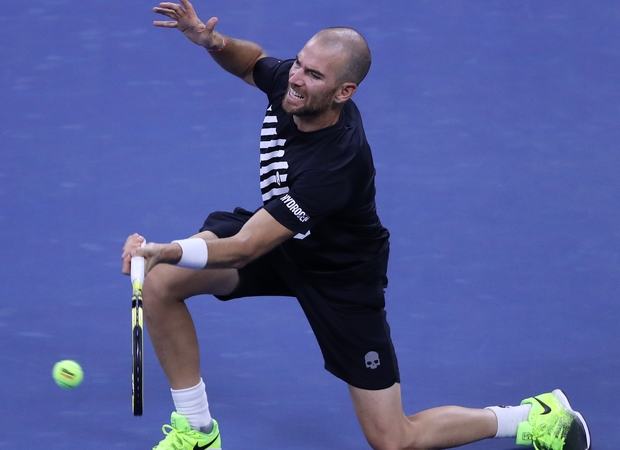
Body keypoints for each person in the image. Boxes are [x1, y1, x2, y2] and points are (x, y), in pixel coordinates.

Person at [120, 1, 592, 449]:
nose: (296, 78)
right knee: (162, 282)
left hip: (339, 274)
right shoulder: (293, 84)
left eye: (314, 75)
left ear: (343, 92)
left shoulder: (335, 165)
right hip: (282, 241)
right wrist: (213, 42)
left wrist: (167, 248)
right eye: (300, 64)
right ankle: (198, 431)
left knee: (392, 439)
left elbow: (244, 247)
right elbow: (253, 64)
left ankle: (533, 417)